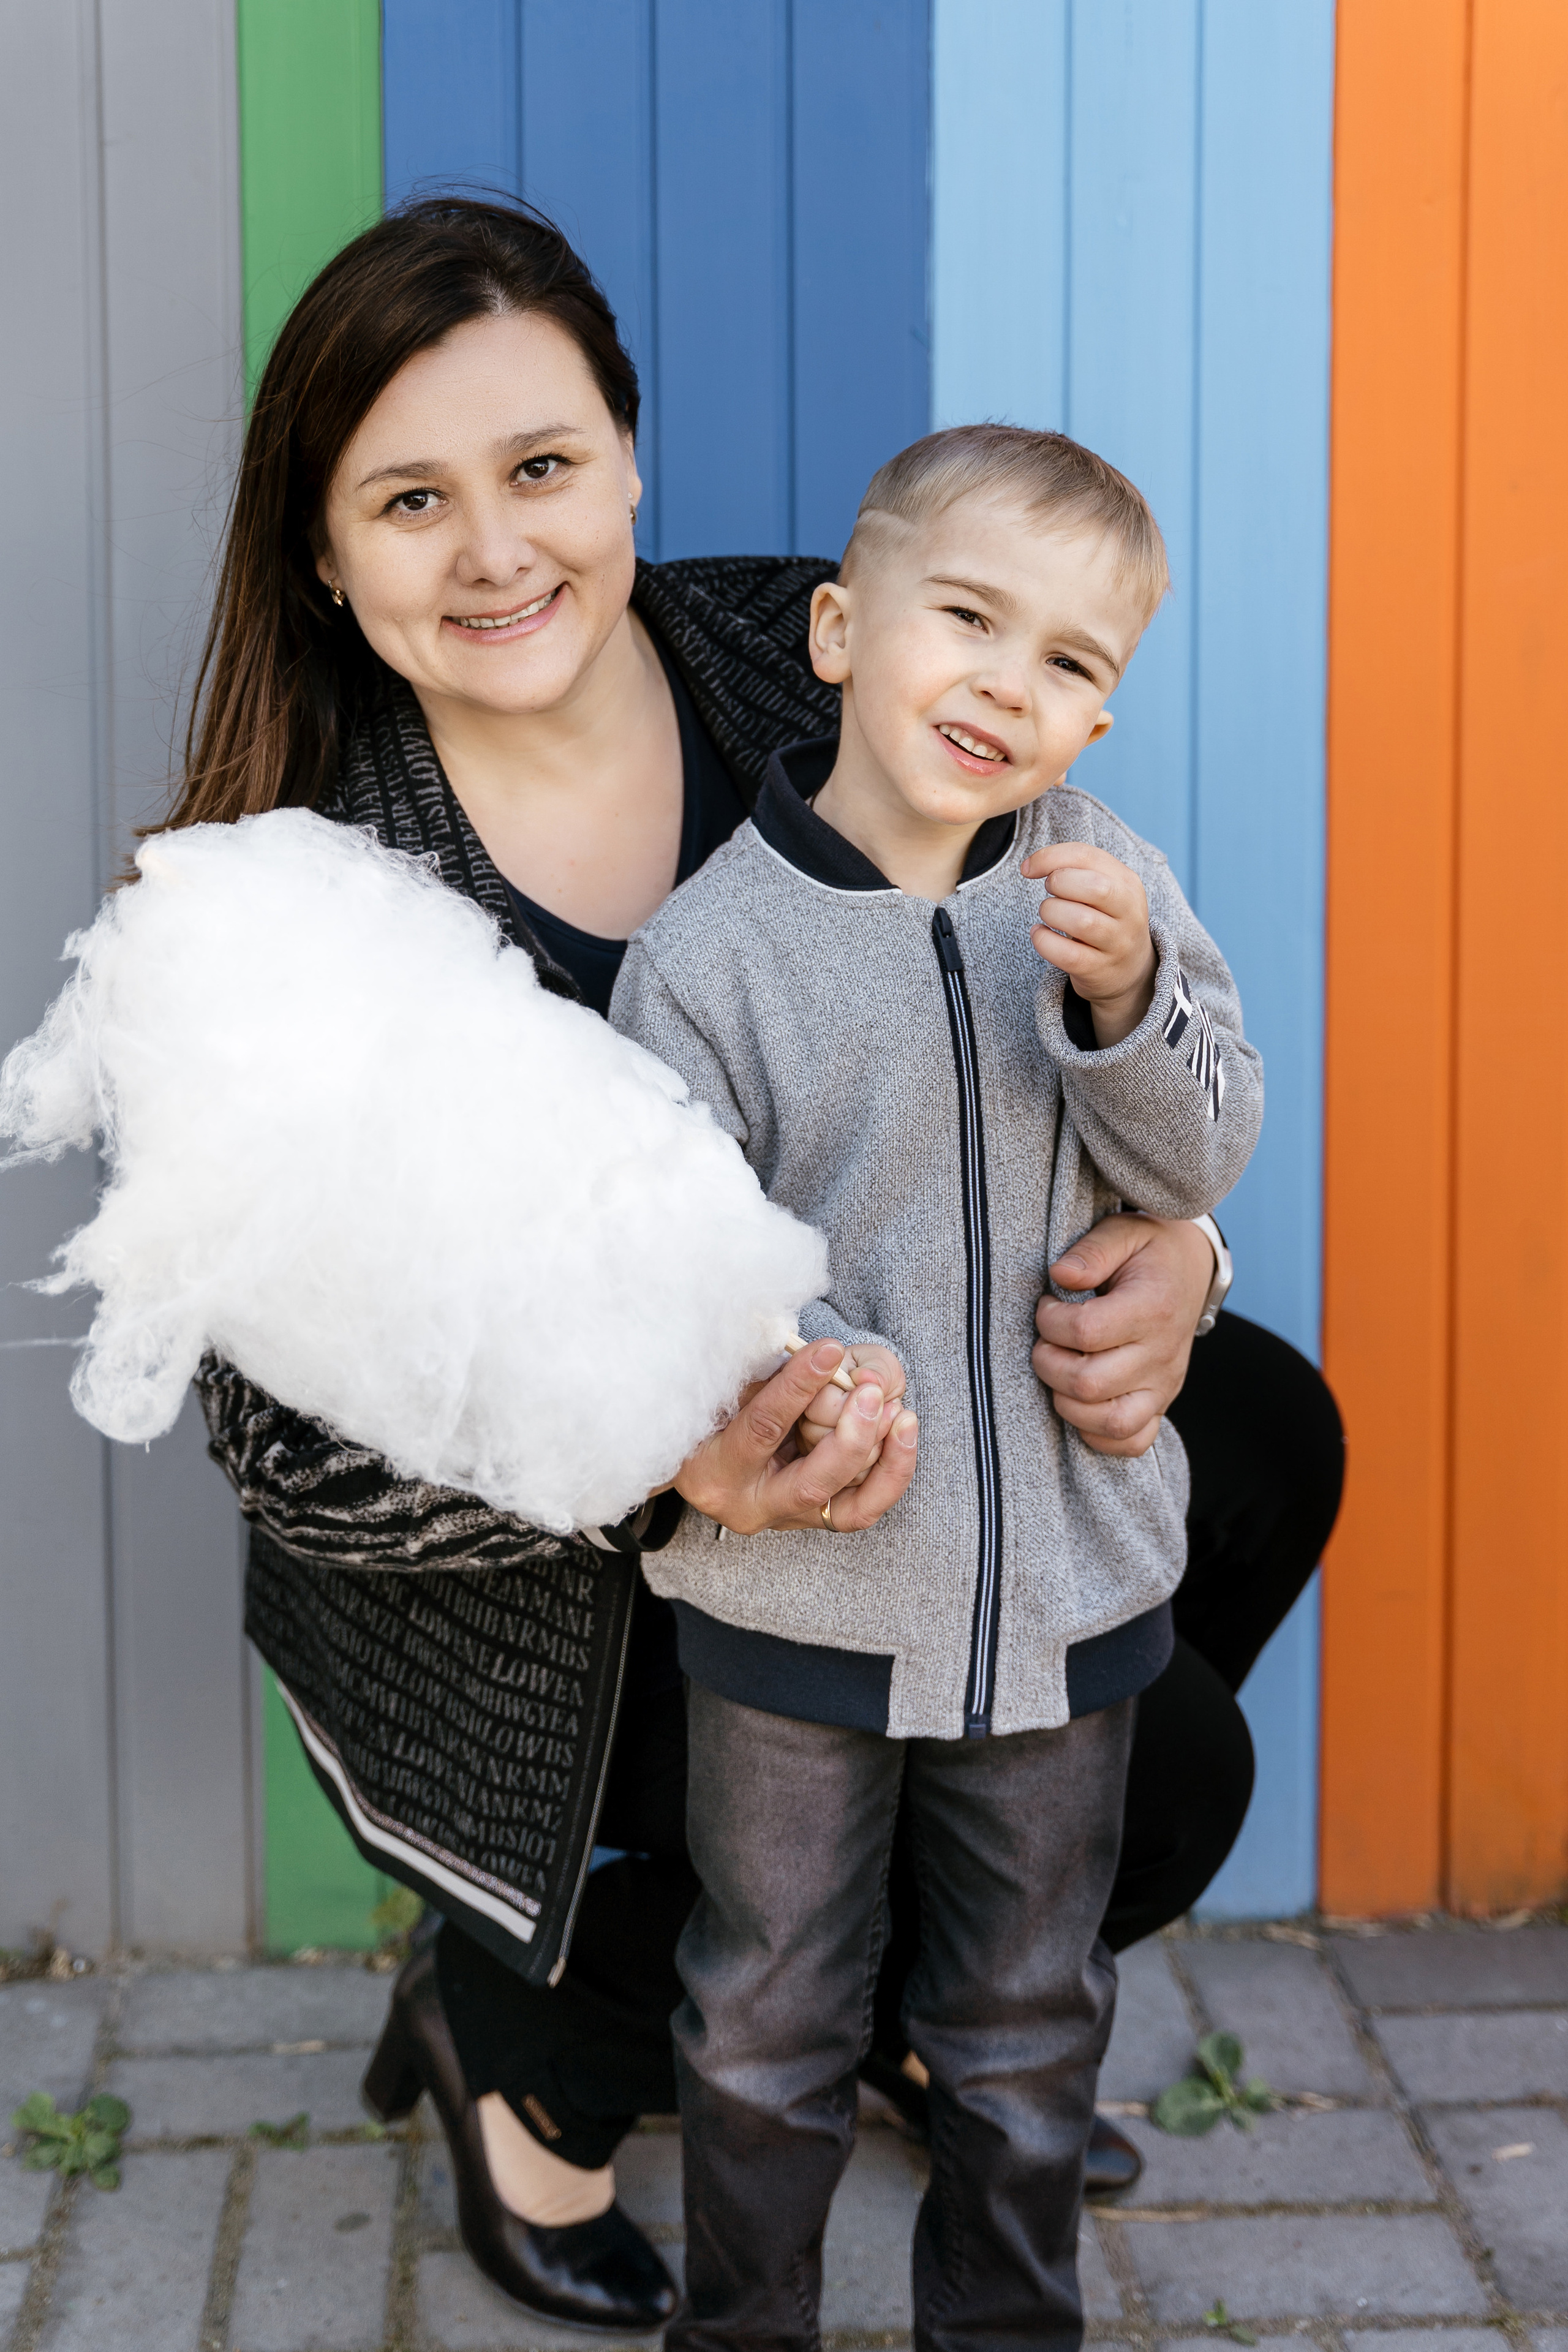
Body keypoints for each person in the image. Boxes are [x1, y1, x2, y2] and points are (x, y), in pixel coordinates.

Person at [175, 197, 1341, 2333]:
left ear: (630, 457)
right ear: (328, 560)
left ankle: (927, 1990)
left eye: (541, 467)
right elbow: (283, 1451)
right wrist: (668, 1459)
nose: (497, 548)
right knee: (1156, 1769)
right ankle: (539, 2054)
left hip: (891, 1428)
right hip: (535, 1574)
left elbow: (1029, 975)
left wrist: (1176, 1236)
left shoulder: (776, 640)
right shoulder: (318, 897)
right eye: (409, 501)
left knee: (1261, 1434)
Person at [610, 423, 1262, 2346]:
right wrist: (787, 1383)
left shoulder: (1101, 885)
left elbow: (1206, 1148)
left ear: (1101, 722)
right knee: (764, 2018)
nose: (1008, 681)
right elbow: (664, 1283)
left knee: (1023, 2024)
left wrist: (1130, 1010)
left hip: (1062, 1595)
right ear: (836, 631)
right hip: (802, 1605)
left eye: (1070, 661)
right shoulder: (712, 958)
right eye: (965, 617)